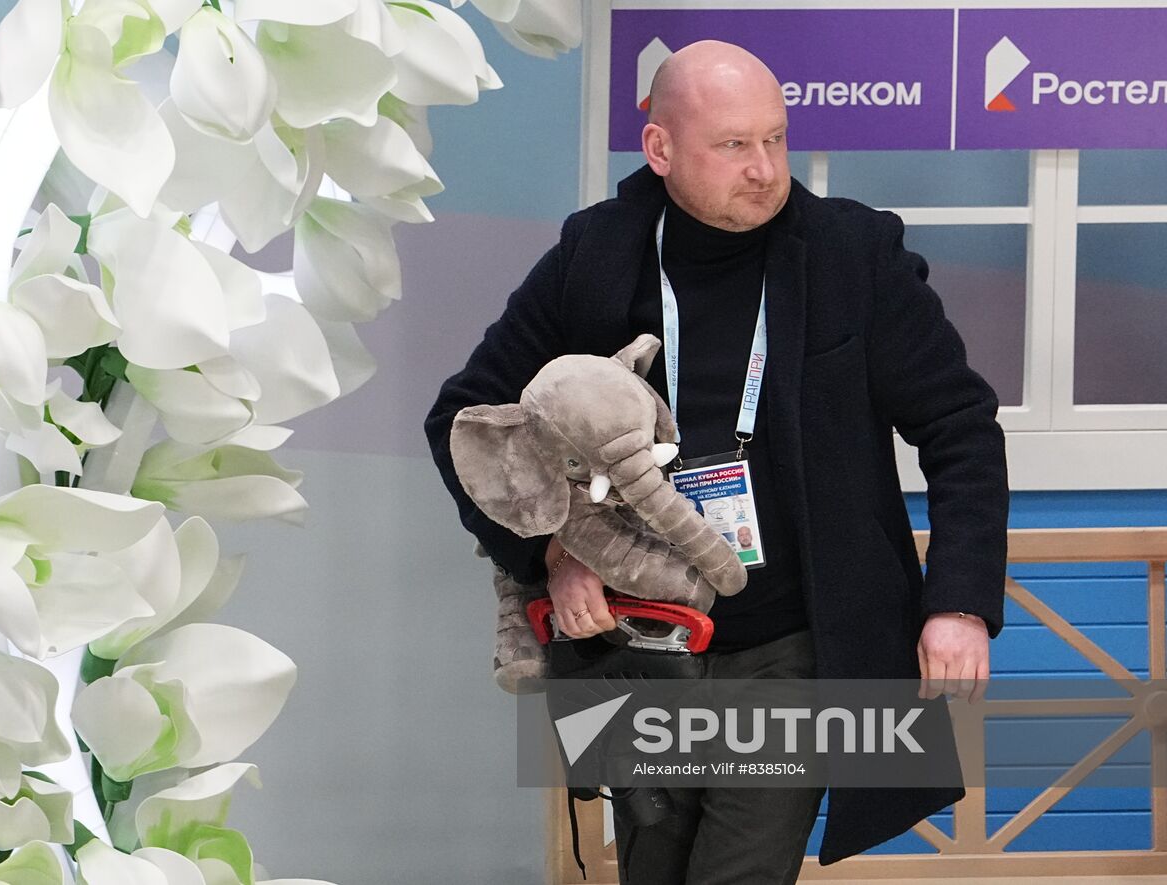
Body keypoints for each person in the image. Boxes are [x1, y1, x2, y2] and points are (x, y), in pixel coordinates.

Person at [424, 40, 1008, 883]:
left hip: (794, 644)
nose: (765, 169)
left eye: (775, 139)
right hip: (632, 642)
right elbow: (462, 422)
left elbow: (962, 426)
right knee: (654, 871)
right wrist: (552, 555)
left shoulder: (856, 254)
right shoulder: (594, 255)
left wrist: (958, 602)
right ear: (659, 149)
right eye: (733, 145)